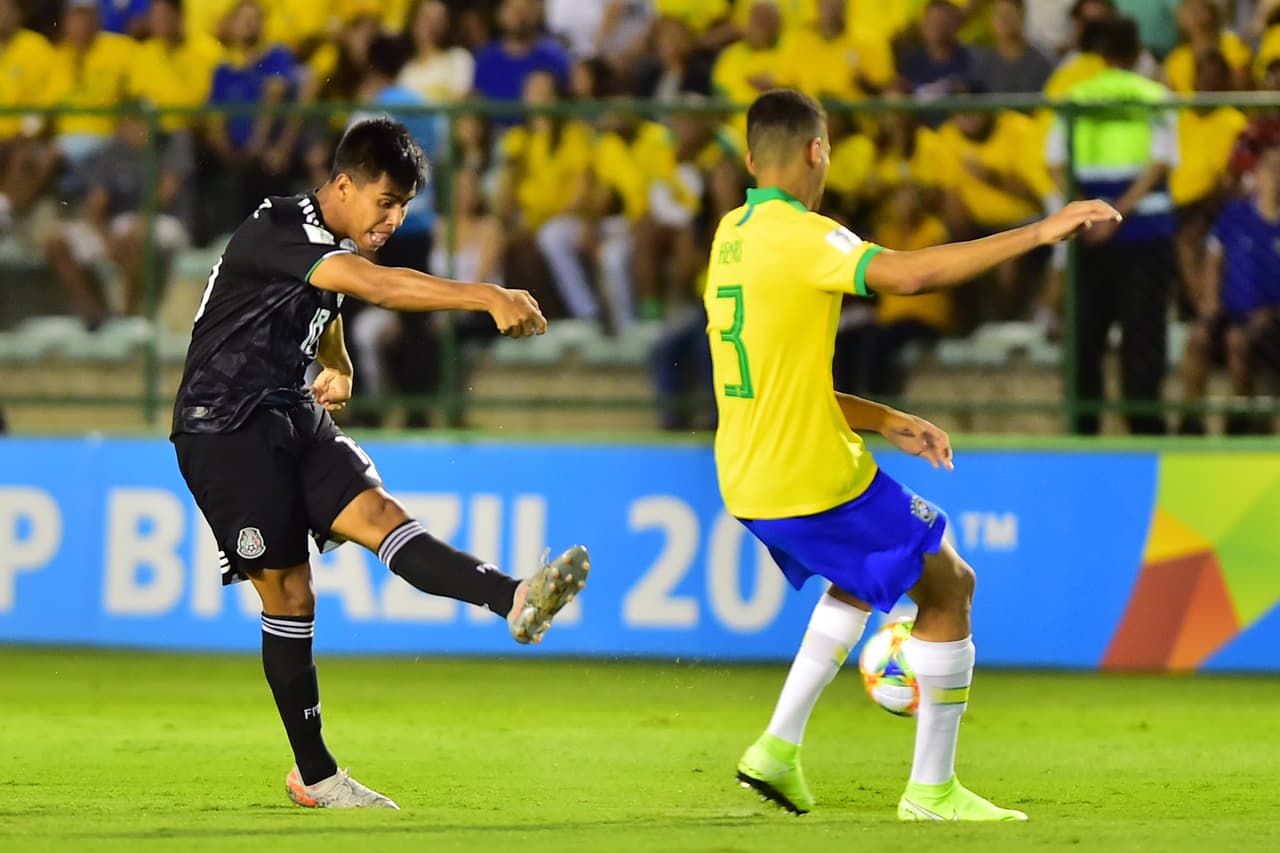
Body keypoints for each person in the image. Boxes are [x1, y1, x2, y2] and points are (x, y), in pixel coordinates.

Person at [708, 89, 1117, 820]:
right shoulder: (807, 235)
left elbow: (776, 381)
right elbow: (910, 275)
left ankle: (776, 748)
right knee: (950, 584)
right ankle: (932, 789)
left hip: (746, 473)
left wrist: (884, 417)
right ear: (816, 151)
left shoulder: (729, 235)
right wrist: (1039, 233)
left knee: (863, 578)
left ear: (748, 158)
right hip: (812, 476)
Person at [170, 118, 590, 810]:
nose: (393, 219)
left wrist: (335, 359)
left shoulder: (325, 244)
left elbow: (326, 298)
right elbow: (377, 287)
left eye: (402, 208)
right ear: (342, 184)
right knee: (291, 593)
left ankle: (514, 598)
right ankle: (317, 773)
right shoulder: (281, 226)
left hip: (288, 409)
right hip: (225, 426)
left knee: (382, 515)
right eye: (385, 203)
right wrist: (486, 293)